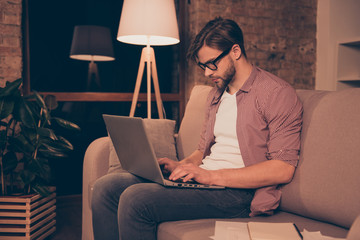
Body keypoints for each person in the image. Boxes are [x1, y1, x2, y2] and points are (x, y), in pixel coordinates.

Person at [91, 17, 303, 240]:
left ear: (236, 51)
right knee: (107, 187)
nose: (207, 73)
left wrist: (210, 176)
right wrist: (180, 166)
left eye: (212, 64)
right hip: (206, 183)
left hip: (238, 194)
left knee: (136, 199)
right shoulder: (216, 95)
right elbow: (202, 152)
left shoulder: (276, 93)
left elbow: (283, 168)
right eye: (203, 67)